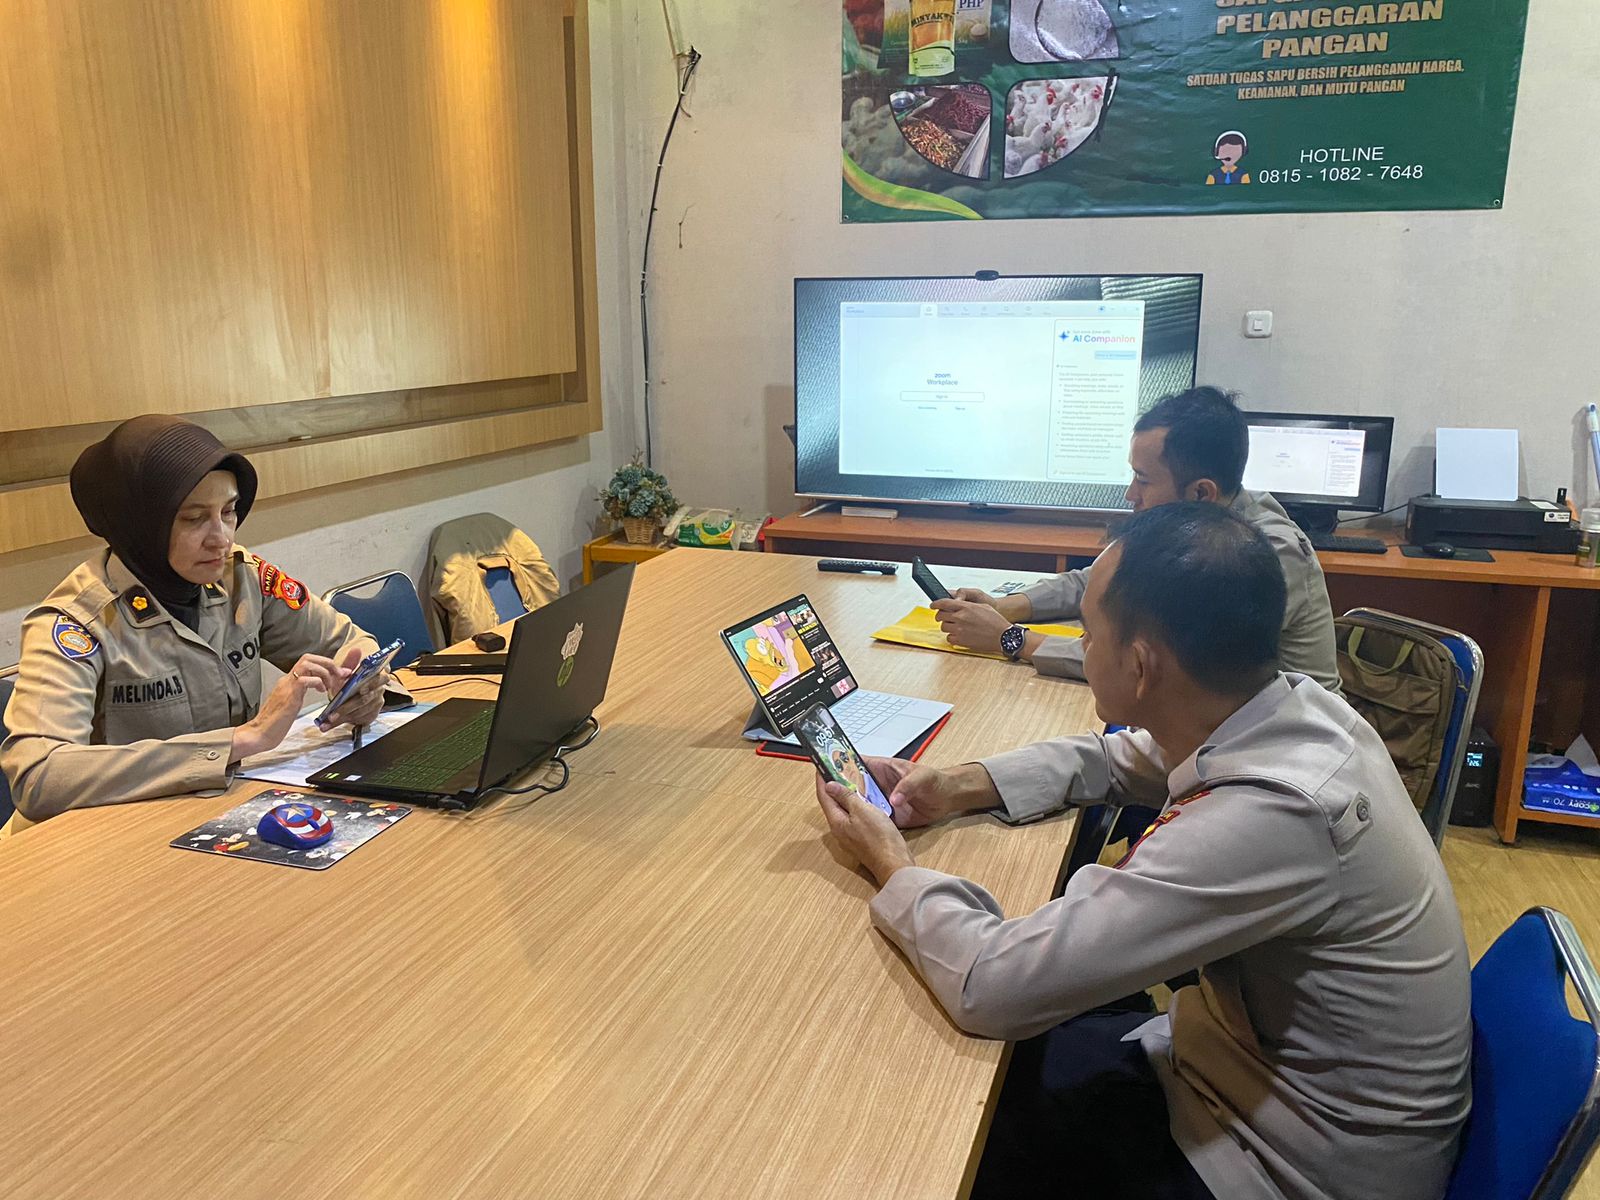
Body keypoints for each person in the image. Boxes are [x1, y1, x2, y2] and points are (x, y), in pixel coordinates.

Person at [813, 503, 1471, 1200]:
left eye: (1088, 634)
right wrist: (959, 785)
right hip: (1249, 1080)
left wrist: (892, 863)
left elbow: (992, 985)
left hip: (1281, 1165)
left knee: (927, 1128)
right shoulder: (1291, 710)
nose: (1081, 645)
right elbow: (1119, 759)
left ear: (1139, 665)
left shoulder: (1273, 816)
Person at [1, 415, 404, 834]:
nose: (222, 538)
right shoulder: (75, 621)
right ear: (138, 524)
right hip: (95, 843)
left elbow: (349, 642)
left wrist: (361, 688)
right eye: (194, 518)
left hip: (211, 817)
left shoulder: (241, 577)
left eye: (228, 511)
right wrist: (244, 739)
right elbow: (39, 776)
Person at [933, 386, 1343, 694]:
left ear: (1201, 492)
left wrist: (1010, 638)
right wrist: (1004, 606)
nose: (1131, 495)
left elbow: (1150, 659)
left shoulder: (1263, 555)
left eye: (1143, 480)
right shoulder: (1192, 520)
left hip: (1288, 748)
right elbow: (1099, 580)